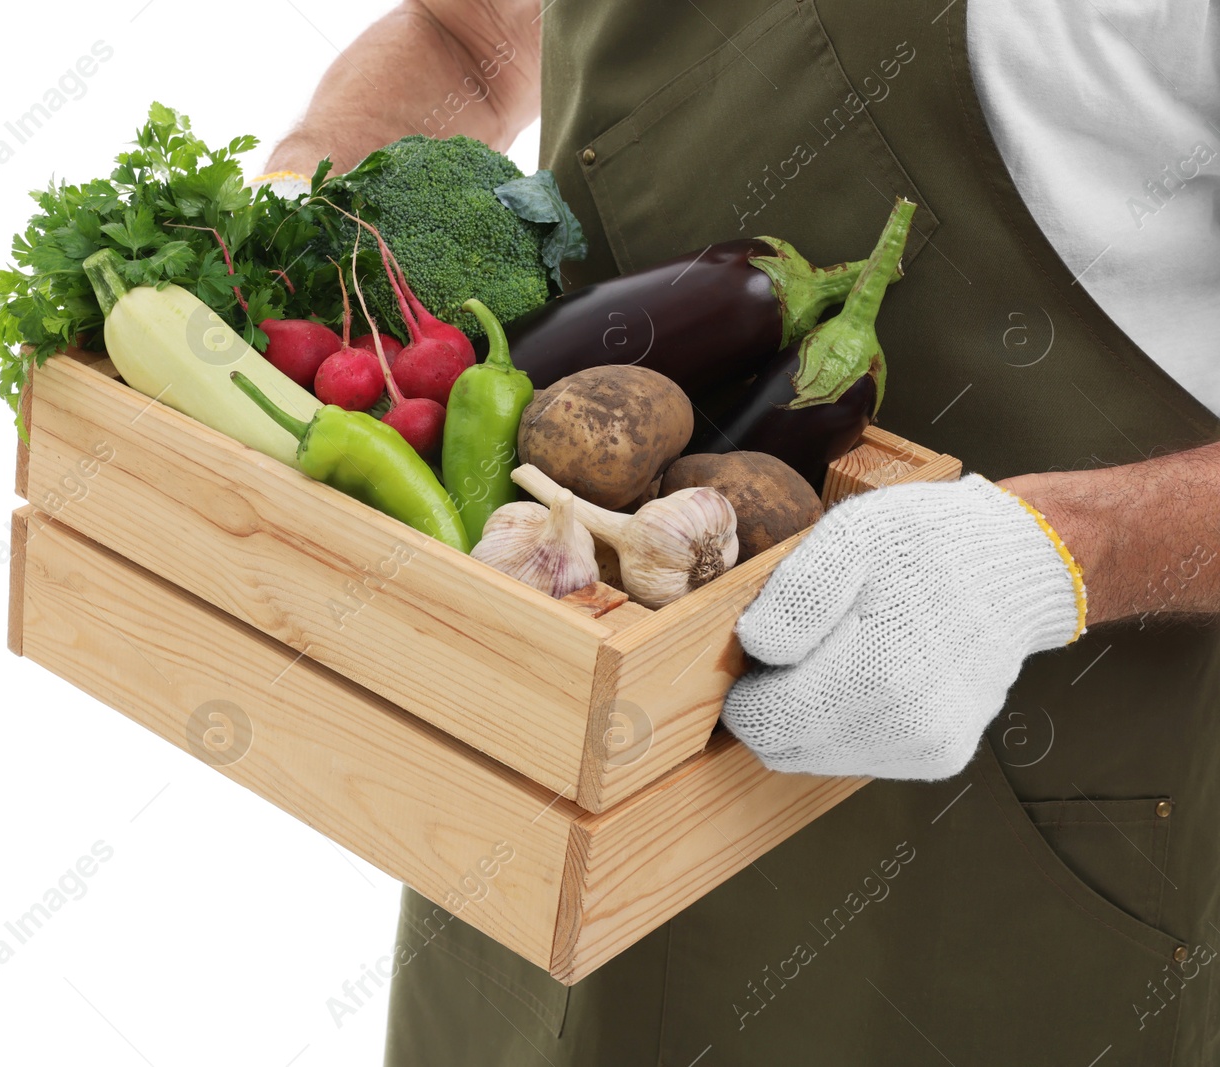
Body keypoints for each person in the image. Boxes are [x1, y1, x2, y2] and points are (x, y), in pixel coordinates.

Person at [264, 1, 1220, 1062]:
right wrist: (306, 195)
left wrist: (1051, 552)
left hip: (982, 841)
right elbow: (464, 36)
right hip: (546, 750)